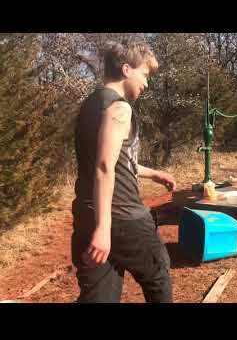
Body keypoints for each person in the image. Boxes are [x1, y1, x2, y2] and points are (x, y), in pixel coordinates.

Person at [71, 39, 176, 303]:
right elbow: (104, 166)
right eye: (144, 74)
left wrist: (154, 174)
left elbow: (116, 160)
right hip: (123, 218)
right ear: (127, 69)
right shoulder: (119, 108)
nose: (146, 83)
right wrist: (104, 229)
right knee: (158, 272)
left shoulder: (89, 104)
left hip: (86, 215)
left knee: (99, 294)